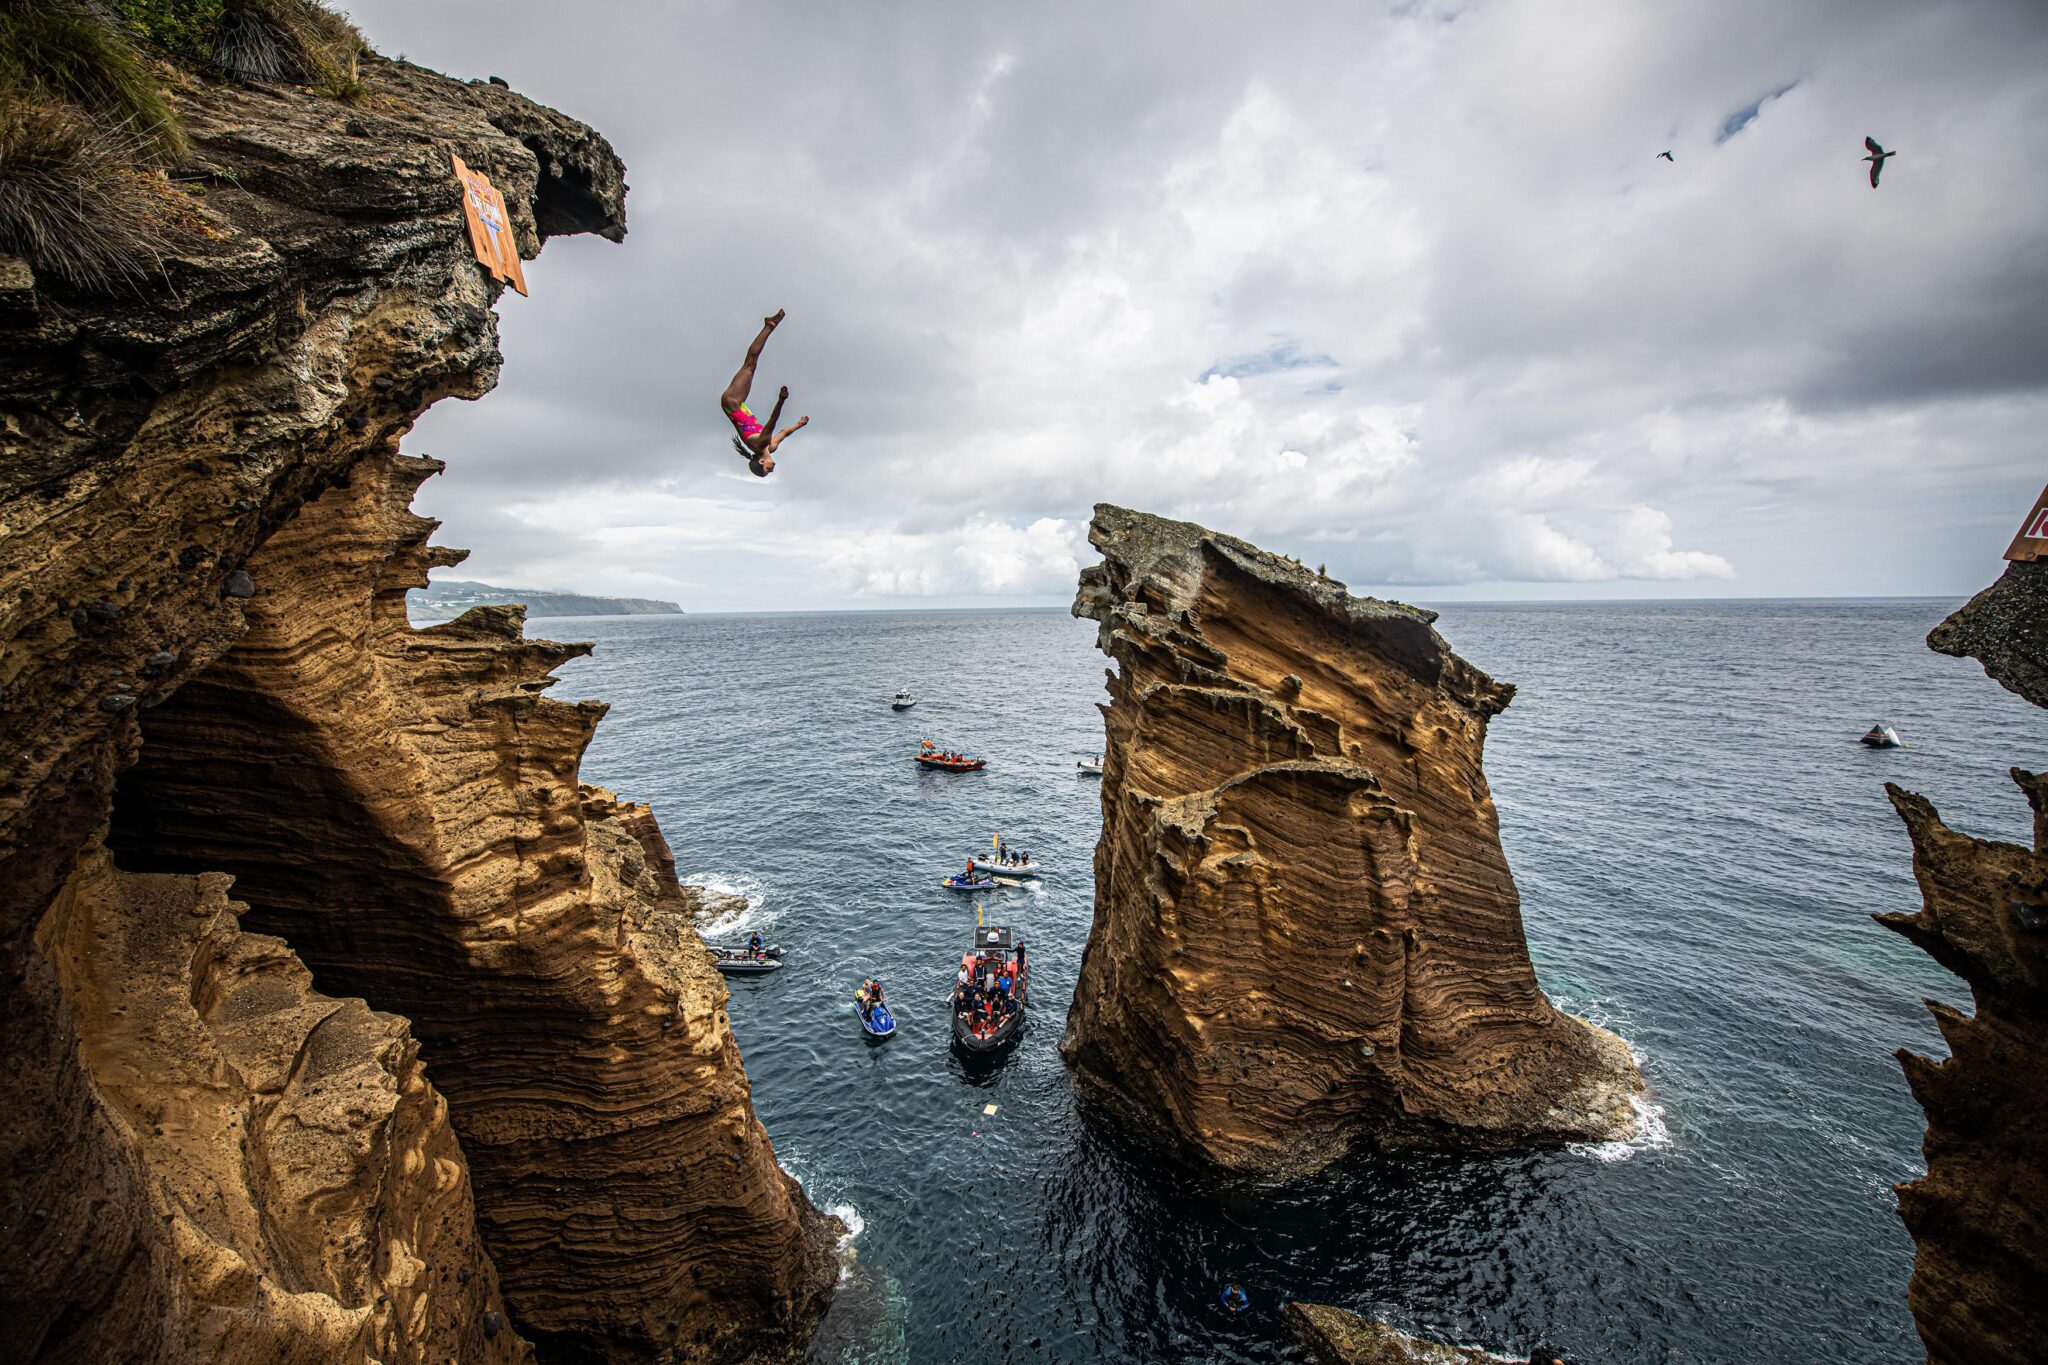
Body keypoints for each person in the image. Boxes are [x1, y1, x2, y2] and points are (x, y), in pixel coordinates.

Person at [720, 310, 809, 477]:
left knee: (750, 364)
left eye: (767, 469)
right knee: (751, 365)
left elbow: (772, 422)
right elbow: (783, 432)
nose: (772, 469)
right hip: (740, 403)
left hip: (731, 402)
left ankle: (769, 326)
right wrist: (799, 425)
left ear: (761, 462)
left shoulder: (760, 444)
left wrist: (781, 401)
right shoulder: (771, 446)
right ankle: (769, 326)